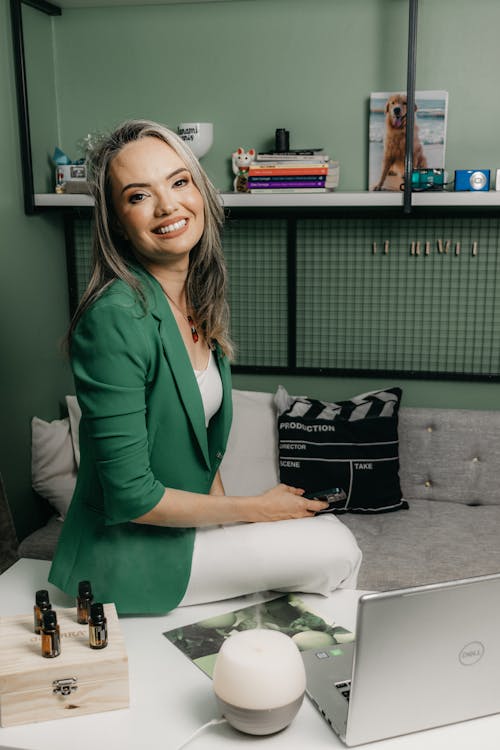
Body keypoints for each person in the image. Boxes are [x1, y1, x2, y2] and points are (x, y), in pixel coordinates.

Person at [48, 119, 361, 614]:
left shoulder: (195, 300)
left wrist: (234, 527)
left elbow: (202, 457)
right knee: (337, 550)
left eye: (178, 181)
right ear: (116, 224)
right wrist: (255, 509)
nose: (168, 205)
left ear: (199, 189)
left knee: (321, 534)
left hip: (186, 537)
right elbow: (132, 497)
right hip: (129, 556)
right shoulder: (114, 318)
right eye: (138, 196)